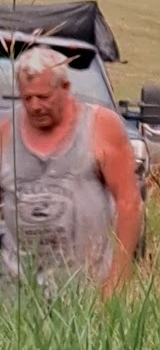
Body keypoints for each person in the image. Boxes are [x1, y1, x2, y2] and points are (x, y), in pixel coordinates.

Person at [0, 45, 143, 295]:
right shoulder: (5, 132)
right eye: (27, 98)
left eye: (43, 97)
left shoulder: (100, 127)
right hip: (18, 295)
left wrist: (117, 283)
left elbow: (129, 203)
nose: (34, 106)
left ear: (65, 88)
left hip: (85, 289)